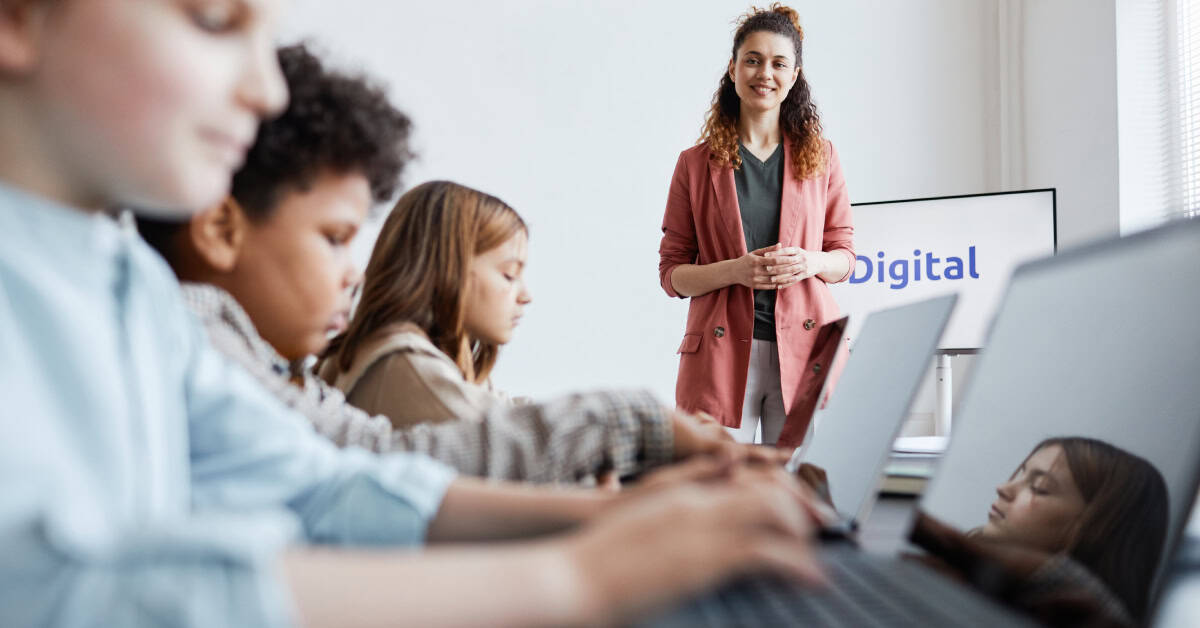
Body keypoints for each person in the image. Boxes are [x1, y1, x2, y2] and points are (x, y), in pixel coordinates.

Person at [0, 1, 829, 625]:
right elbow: (60, 591)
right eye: (215, 19)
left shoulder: (132, 285)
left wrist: (618, 517)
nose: (265, 87)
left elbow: (324, 485)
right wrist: (579, 576)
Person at [139, 43, 767, 484]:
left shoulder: (260, 365)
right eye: (334, 238)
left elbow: (368, 470)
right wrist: (635, 429)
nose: (353, 272)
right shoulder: (388, 361)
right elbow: (400, 466)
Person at [657, 3, 854, 447]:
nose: (764, 73)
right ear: (733, 69)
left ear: (795, 74)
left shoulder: (822, 157)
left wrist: (809, 261)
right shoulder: (693, 165)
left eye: (778, 62)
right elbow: (672, 275)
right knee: (720, 494)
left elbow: (845, 257)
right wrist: (734, 270)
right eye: (752, 60)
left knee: (800, 497)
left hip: (805, 352)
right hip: (720, 357)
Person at [318, 180, 535, 430]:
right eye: (509, 274)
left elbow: (507, 411)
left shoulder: (434, 358)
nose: (525, 295)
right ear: (449, 269)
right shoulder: (405, 365)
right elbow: (516, 443)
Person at [908, 437, 1169, 626]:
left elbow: (945, 539)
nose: (1004, 487)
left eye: (1039, 487)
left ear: (1095, 528)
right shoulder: (972, 577)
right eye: (1020, 475)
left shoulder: (1098, 605)